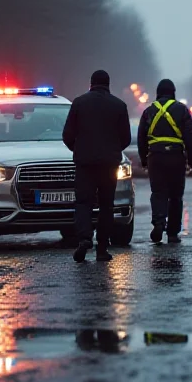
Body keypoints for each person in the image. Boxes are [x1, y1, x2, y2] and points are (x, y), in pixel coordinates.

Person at [62, 70, 131, 262]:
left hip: (85, 164)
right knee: (106, 205)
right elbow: (125, 137)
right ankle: (102, 248)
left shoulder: (79, 103)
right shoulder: (119, 105)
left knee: (83, 203)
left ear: (90, 83)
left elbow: (67, 134)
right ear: (108, 84)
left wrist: (78, 150)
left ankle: (84, 238)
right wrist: (113, 151)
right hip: (109, 165)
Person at [138, 79, 192, 244]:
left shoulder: (148, 111)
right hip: (176, 158)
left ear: (158, 93)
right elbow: (190, 137)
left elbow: (142, 138)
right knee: (176, 196)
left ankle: (158, 222)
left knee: (158, 193)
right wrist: (191, 160)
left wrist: (144, 160)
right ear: (173, 92)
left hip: (155, 158)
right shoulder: (182, 110)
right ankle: (172, 233)